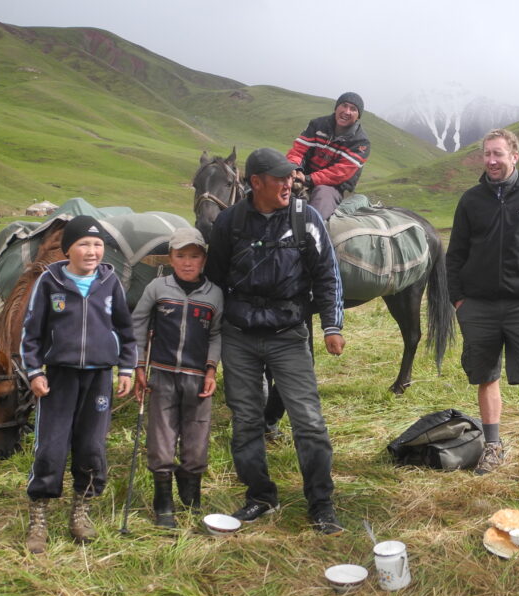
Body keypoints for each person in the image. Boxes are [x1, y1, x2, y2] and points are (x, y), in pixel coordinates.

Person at [205, 147, 346, 535]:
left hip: (288, 334)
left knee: (309, 422)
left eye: (291, 177)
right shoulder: (229, 223)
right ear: (255, 183)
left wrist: (332, 326)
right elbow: (215, 281)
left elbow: (327, 275)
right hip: (239, 336)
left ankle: (321, 504)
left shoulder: (307, 218)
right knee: (247, 421)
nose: (289, 183)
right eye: (280, 178)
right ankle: (260, 496)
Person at [446, 128, 519, 482]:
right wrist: (459, 301)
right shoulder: (471, 200)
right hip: (478, 306)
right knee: (486, 376)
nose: (492, 161)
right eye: (487, 154)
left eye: (498, 154)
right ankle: (493, 447)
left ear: (514, 156)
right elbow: (455, 255)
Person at [19, 215, 137, 553]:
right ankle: (39, 516)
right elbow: (31, 333)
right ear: (68, 248)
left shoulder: (111, 283)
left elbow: (126, 332)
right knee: (51, 447)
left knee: (91, 447)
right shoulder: (49, 282)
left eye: (98, 244)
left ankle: (81, 511)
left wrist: (126, 370)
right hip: (58, 377)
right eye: (84, 244)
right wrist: (34, 372)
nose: (92, 251)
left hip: (99, 377)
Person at [131, 227, 223, 528]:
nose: (187, 262)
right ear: (170, 258)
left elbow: (216, 334)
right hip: (162, 375)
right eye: (180, 255)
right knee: (161, 439)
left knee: (197, 441)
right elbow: (139, 325)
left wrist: (211, 369)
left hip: (198, 378)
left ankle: (191, 495)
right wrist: (138, 367)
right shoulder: (157, 289)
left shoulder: (214, 295)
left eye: (194, 256)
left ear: (204, 260)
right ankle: (163, 502)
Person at [286, 92, 371, 220]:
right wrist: (294, 169)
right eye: (344, 105)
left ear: (358, 116)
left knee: (321, 197)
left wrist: (308, 179)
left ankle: (309, 233)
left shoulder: (361, 142)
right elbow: (298, 150)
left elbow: (340, 173)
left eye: (353, 109)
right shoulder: (317, 125)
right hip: (303, 175)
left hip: (331, 186)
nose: (347, 111)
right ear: (336, 107)